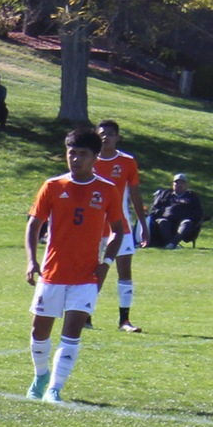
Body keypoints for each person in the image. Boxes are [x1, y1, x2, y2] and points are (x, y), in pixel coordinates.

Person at [25, 127, 125, 403]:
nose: (76, 159)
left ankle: (55, 388)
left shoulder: (107, 190)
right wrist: (32, 259)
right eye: (72, 153)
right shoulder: (53, 186)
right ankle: (41, 375)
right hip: (52, 273)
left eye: (83, 154)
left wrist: (106, 263)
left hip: (86, 277)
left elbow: (118, 230)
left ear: (95, 157)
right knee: (39, 332)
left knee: (72, 332)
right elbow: (34, 224)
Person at [92, 119, 142, 332]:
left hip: (121, 227)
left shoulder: (127, 162)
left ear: (117, 137)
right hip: (94, 227)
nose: (106, 137)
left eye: (110, 134)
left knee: (124, 271)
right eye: (102, 134)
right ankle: (85, 315)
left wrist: (143, 224)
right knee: (94, 272)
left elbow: (135, 195)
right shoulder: (89, 160)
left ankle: (125, 320)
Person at [145, 173, 203, 247]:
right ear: (173, 184)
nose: (179, 185)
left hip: (184, 220)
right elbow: (155, 208)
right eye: (177, 183)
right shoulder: (165, 195)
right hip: (166, 219)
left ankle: (172, 244)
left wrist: (193, 218)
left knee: (187, 222)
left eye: (182, 183)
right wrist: (159, 214)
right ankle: (171, 244)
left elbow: (198, 211)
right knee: (162, 221)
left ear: (186, 185)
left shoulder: (191, 196)